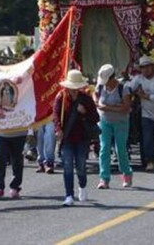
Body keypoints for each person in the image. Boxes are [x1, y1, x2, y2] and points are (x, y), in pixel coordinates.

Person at [53, 69, 99, 206]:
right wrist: (58, 130)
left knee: (80, 166)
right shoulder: (60, 97)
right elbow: (55, 117)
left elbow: (95, 118)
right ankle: (69, 195)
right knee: (67, 165)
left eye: (76, 88)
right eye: (71, 88)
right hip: (67, 138)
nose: (73, 91)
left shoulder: (86, 99)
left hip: (82, 137)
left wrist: (84, 112)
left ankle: (82, 186)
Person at [94, 64, 133, 189]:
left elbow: (126, 108)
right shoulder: (100, 86)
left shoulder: (124, 88)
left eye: (107, 81)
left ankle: (126, 173)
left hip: (120, 122)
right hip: (104, 121)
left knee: (120, 149)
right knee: (104, 148)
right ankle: (104, 178)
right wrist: (96, 101)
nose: (106, 84)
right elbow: (95, 94)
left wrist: (108, 108)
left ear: (112, 78)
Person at [129, 56, 154, 172]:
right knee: (147, 138)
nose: (145, 70)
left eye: (147, 67)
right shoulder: (138, 78)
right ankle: (149, 161)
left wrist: (144, 96)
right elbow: (129, 88)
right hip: (146, 114)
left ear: (152, 67)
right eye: (143, 67)